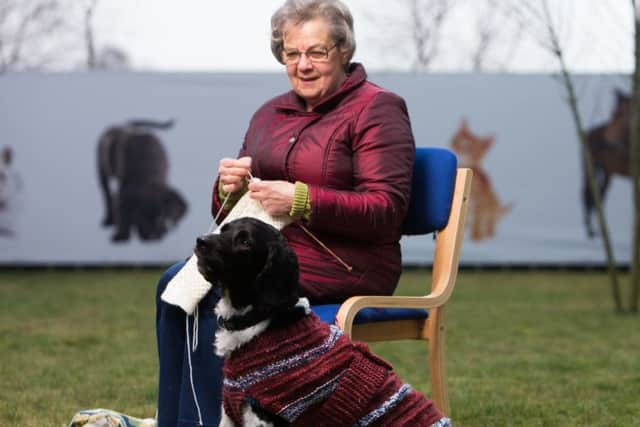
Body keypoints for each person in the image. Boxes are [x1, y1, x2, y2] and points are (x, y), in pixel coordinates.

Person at [155, 0, 415, 425]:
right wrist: (226, 189)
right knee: (172, 285)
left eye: (317, 52)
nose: (303, 65)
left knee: (211, 291)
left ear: (344, 51)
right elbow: (231, 214)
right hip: (268, 256)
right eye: (292, 54)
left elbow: (387, 211)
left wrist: (301, 200)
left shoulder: (378, 108)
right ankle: (177, 421)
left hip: (350, 265)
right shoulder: (269, 113)